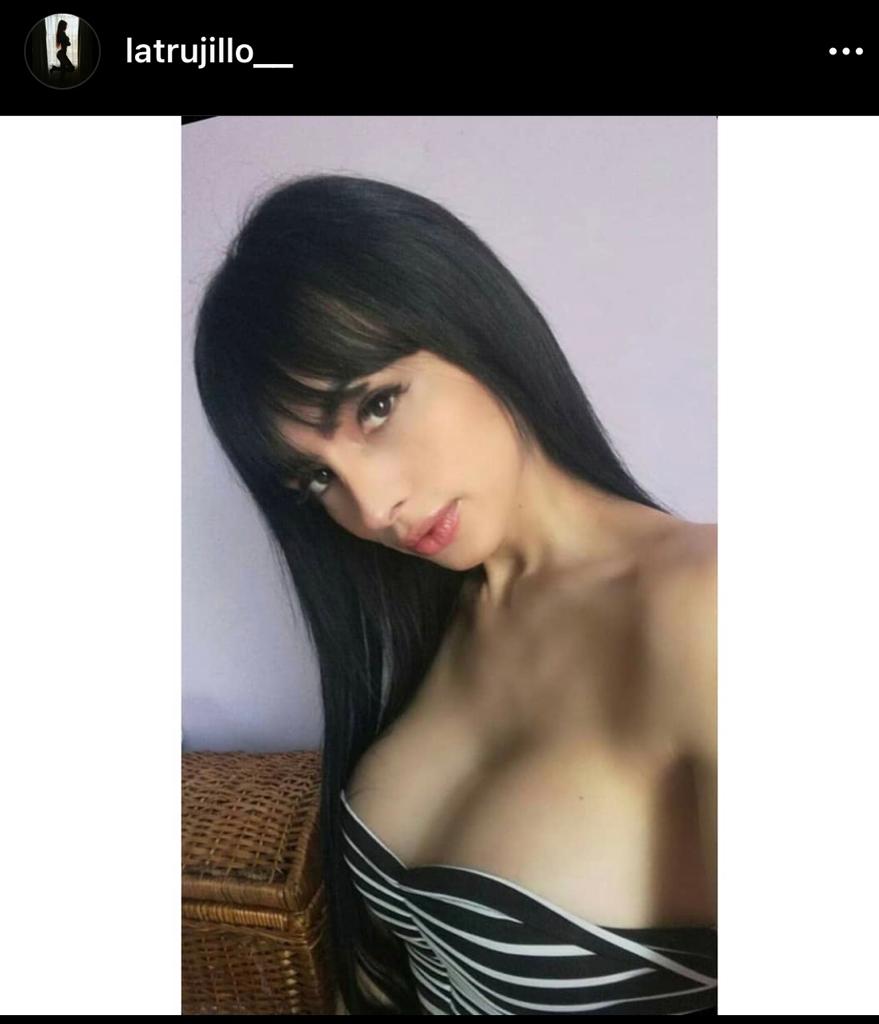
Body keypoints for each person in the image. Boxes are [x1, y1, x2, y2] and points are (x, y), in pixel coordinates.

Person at [192, 173, 717, 1014]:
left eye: (375, 406)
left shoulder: (707, 607)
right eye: (315, 479)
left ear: (472, 322)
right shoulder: (439, 620)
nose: (371, 508)